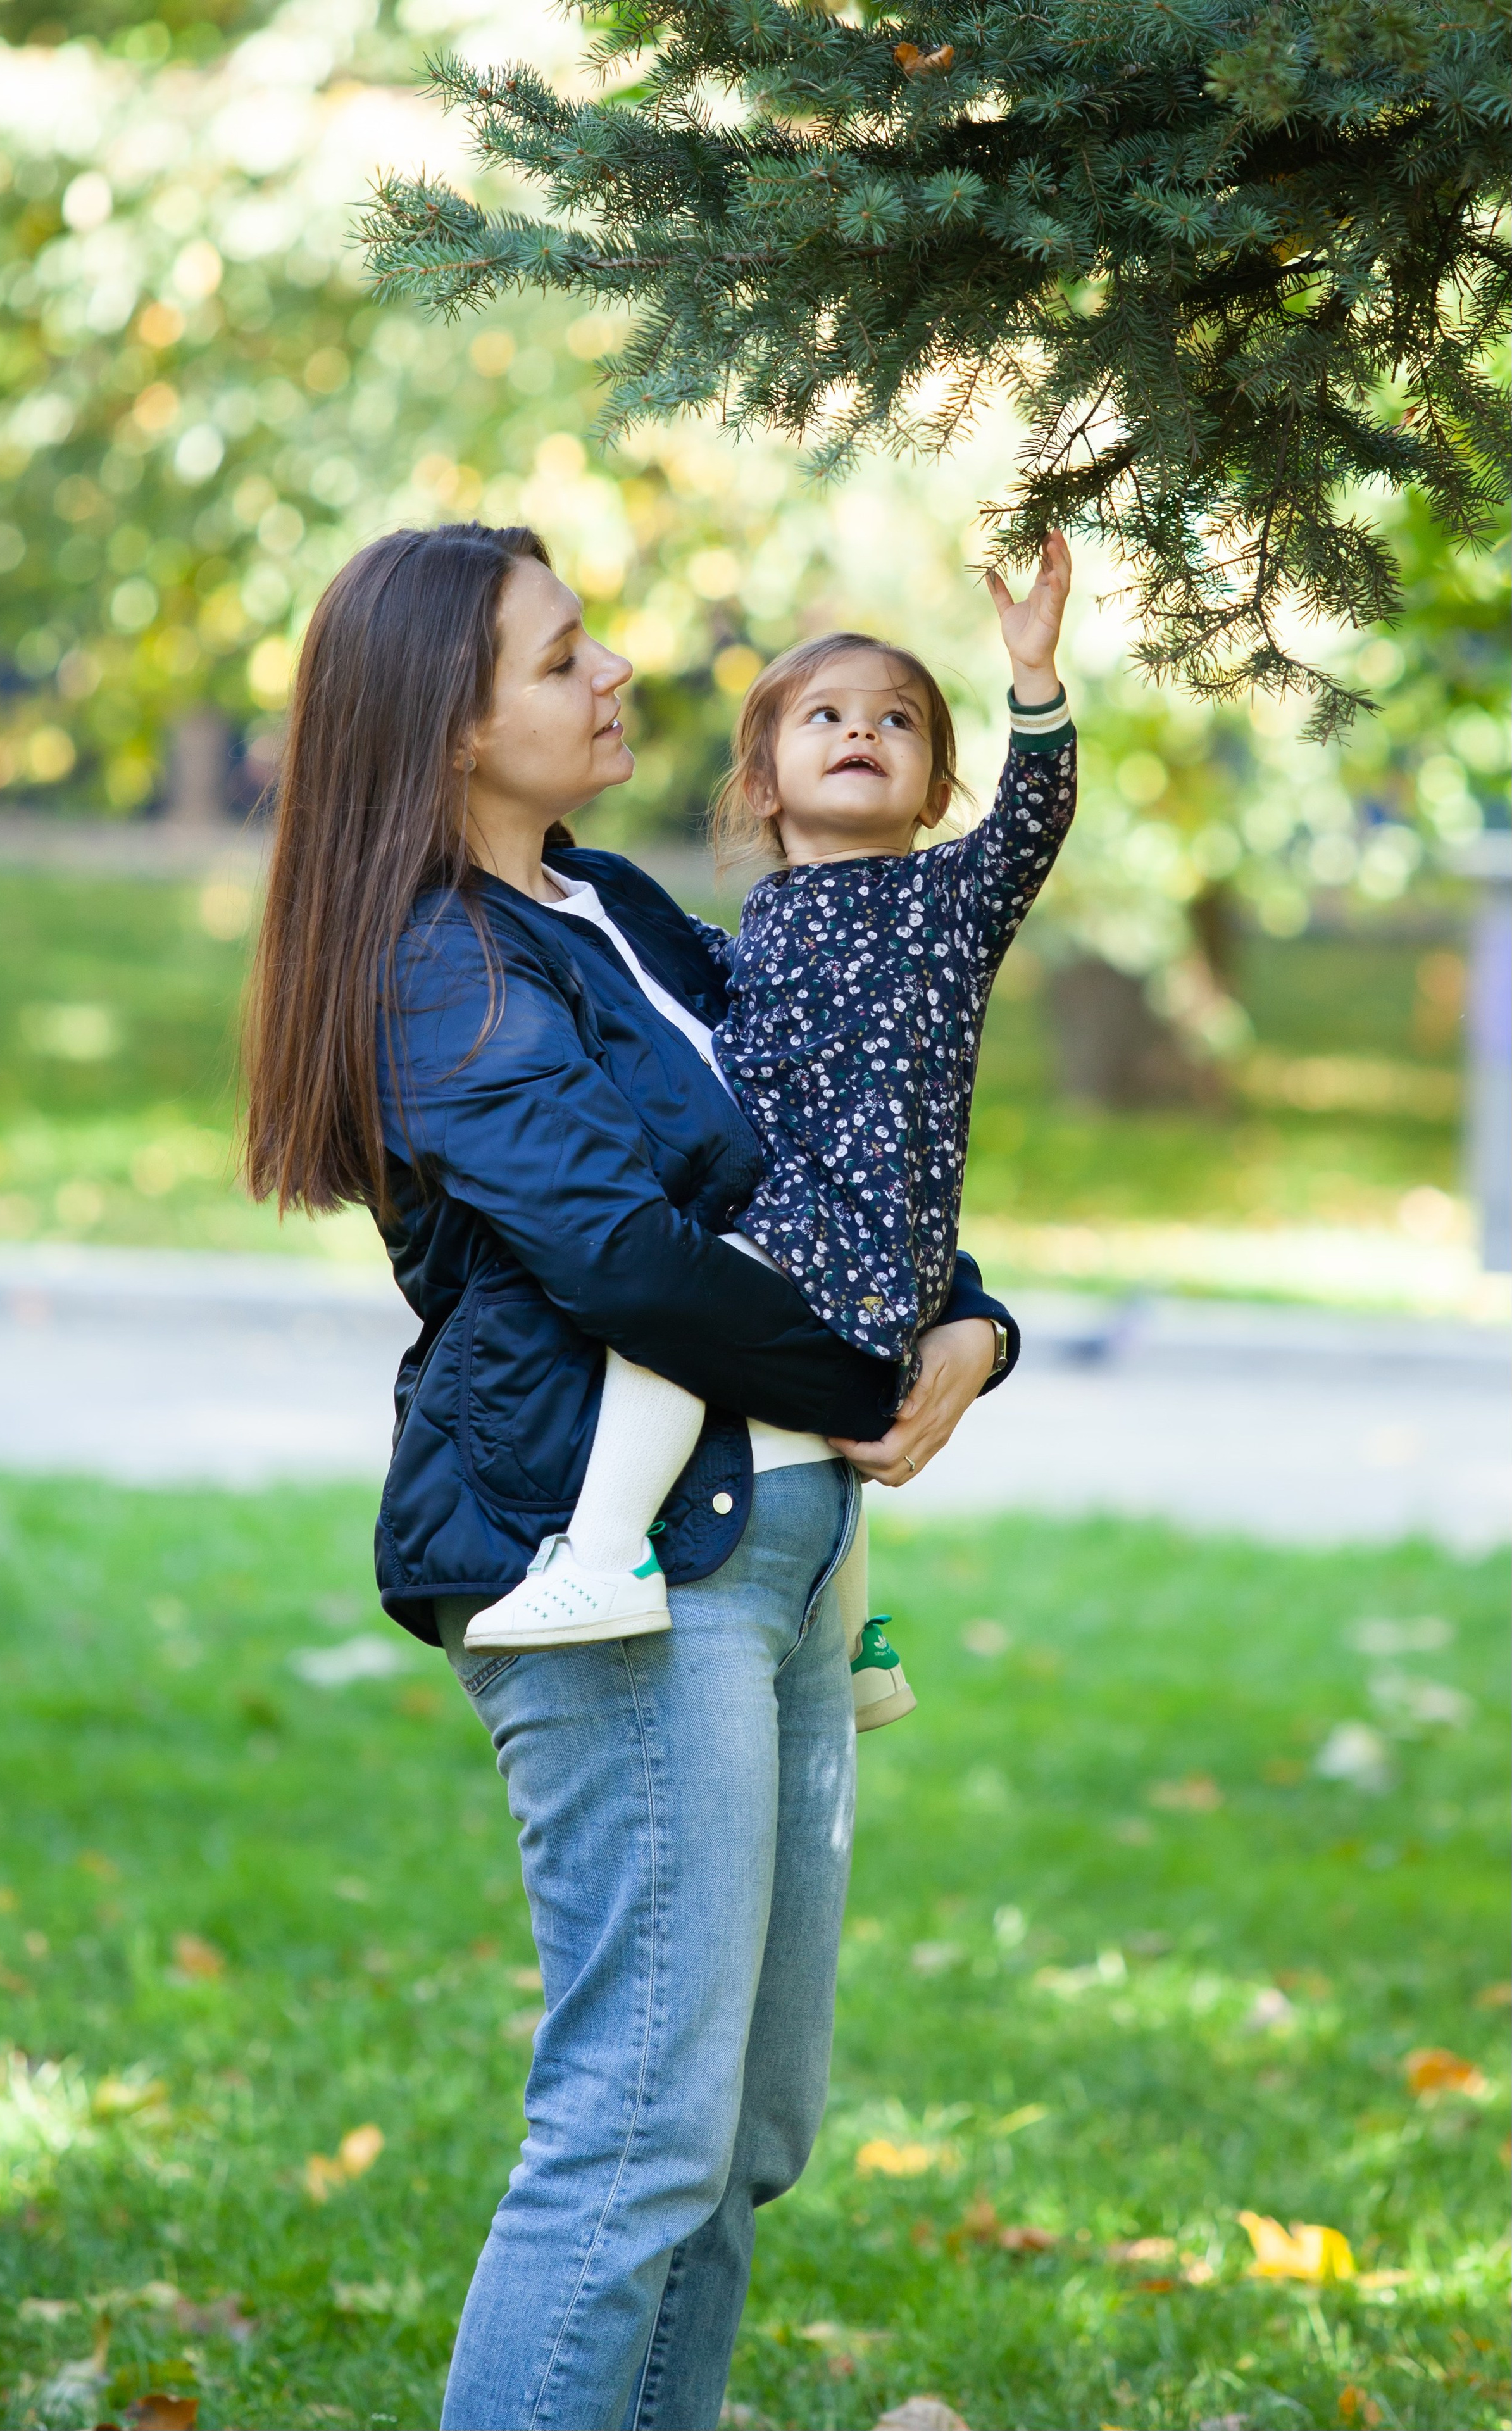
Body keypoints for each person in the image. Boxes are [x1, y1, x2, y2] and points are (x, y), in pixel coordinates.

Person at [244, 520, 1025, 2431]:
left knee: (742, 2133)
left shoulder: (611, 910)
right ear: (447, 728)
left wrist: (973, 1330)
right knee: (635, 2141)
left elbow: (840, 1135)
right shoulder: (438, 964)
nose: (615, 677)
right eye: (563, 656)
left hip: (784, 1553)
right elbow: (623, 1254)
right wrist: (866, 1363)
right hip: (613, 1575)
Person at [466, 543, 1075, 1743]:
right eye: (828, 718)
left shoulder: (946, 904)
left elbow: (1036, 823)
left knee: (671, 1341)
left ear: (935, 790)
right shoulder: (751, 927)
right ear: (761, 785)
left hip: (844, 1227)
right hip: (825, 1222)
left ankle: (602, 1552)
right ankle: (855, 1650)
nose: (863, 734)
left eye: (898, 722)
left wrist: (1035, 681)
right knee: (817, 1425)